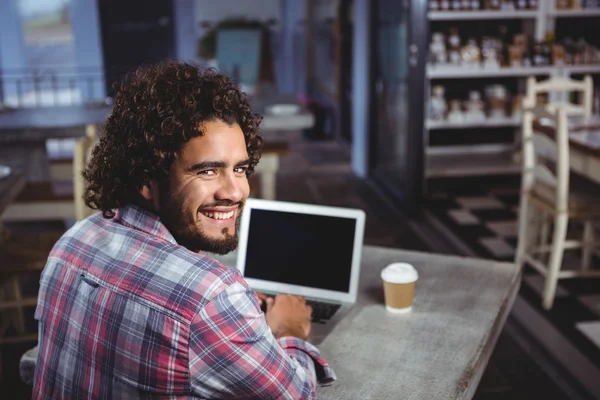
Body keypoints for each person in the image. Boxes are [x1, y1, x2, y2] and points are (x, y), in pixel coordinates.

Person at [32, 60, 335, 399]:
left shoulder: (72, 242)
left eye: (240, 169)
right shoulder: (212, 296)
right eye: (207, 171)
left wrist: (237, 318)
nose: (235, 191)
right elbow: (295, 393)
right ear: (147, 178)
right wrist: (287, 330)